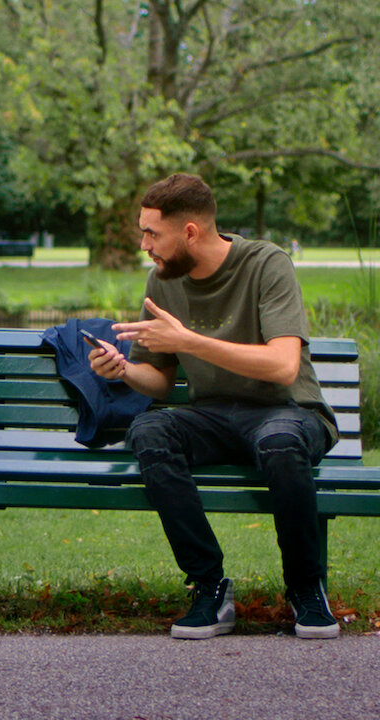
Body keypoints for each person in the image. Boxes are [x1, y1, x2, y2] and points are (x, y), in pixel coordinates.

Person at [87, 173, 339, 640]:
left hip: (287, 411)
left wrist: (189, 341)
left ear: (189, 232)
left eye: (152, 233)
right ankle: (209, 585)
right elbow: (159, 381)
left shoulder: (267, 263)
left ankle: (305, 589)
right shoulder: (163, 280)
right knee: (149, 432)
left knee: (281, 442)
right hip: (214, 416)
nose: (144, 244)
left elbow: (284, 367)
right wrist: (122, 370)